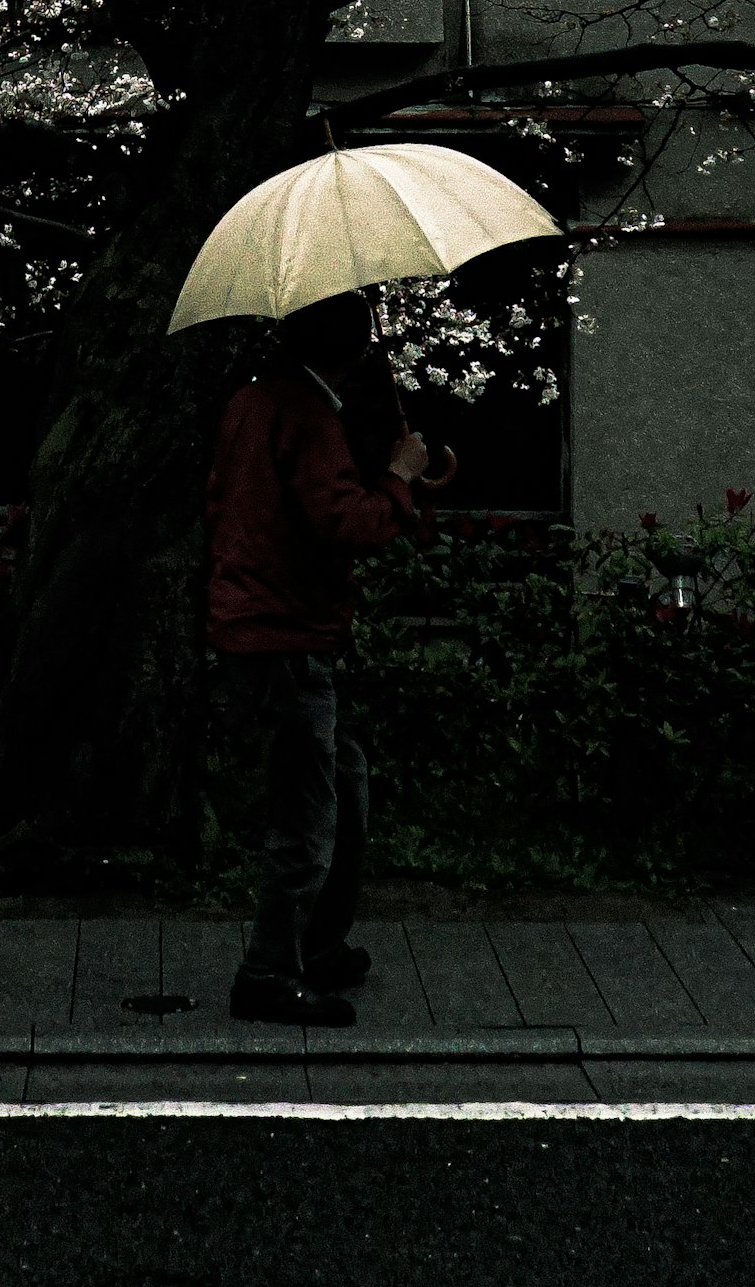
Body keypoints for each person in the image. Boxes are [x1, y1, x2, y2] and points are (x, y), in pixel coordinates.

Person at [204, 289, 427, 1028]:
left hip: (263, 630)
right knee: (306, 815)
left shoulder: (254, 402)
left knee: (344, 785)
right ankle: (267, 971)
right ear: (355, 347)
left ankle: (317, 945)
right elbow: (347, 522)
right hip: (284, 637)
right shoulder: (305, 413)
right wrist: (399, 475)